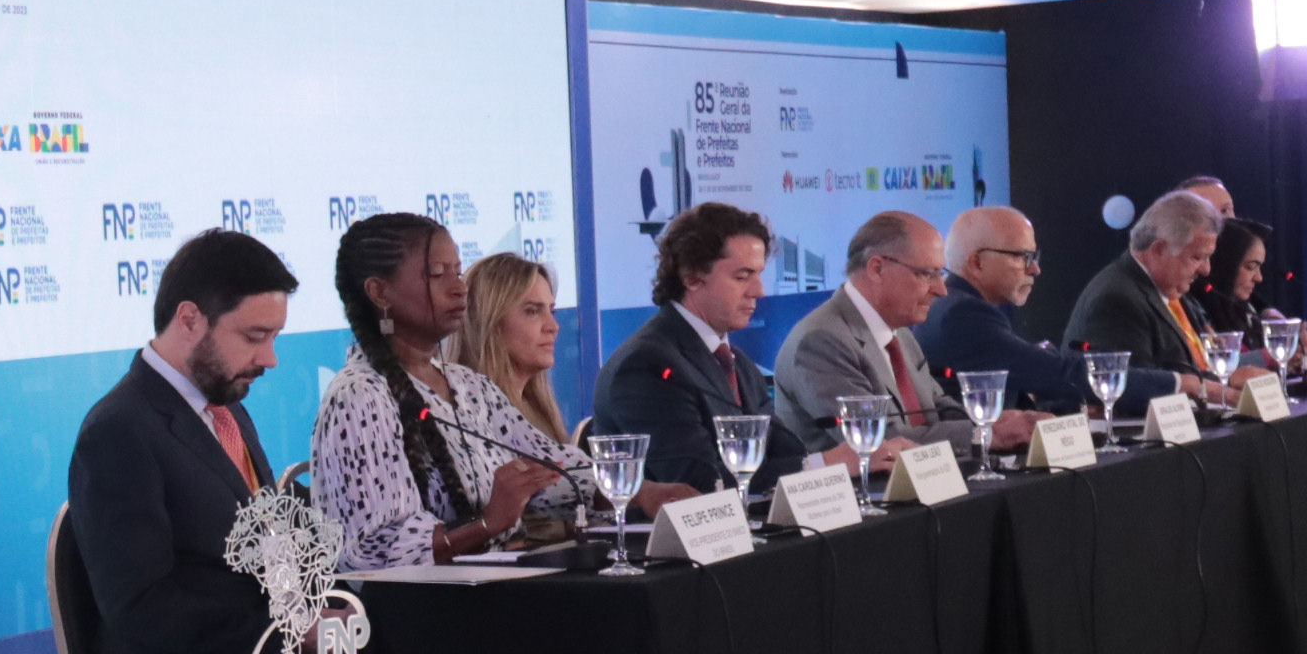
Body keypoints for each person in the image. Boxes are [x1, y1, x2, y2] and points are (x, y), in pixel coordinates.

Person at [314, 214, 661, 567]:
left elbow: (553, 473)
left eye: (458, 272)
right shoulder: (360, 396)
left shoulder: (470, 386)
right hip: (416, 599)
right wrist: (487, 523)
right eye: (437, 274)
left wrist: (641, 492)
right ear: (380, 292)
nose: (458, 288)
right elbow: (374, 551)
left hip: (491, 587)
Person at [66, 227, 294, 654]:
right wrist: (280, 631)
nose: (270, 358)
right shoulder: (118, 432)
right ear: (190, 319)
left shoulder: (226, 407)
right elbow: (143, 606)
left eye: (275, 338)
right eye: (254, 336)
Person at [592, 203, 888, 498]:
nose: (758, 291)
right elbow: (700, 482)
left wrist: (820, 464)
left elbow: (785, 451)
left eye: (758, 274)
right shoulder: (646, 366)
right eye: (742, 276)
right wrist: (826, 463)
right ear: (692, 277)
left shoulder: (737, 362)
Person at [772, 210, 1034, 464]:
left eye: (940, 274)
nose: (941, 290)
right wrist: (988, 435)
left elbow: (937, 407)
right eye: (927, 274)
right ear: (877, 269)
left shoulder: (900, 333)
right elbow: (880, 443)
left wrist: (998, 422)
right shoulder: (821, 342)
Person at [922, 204, 1124, 413]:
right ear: (977, 262)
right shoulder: (963, 315)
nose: (1035, 269)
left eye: (1034, 257)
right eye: (1021, 256)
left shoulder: (954, 305)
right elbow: (1061, 374)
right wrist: (1143, 387)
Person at [1065, 188, 1234, 387]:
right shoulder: (1117, 300)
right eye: (1197, 257)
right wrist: (1222, 386)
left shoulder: (1172, 289)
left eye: (1208, 258)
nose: (1206, 270)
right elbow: (1137, 389)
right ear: (1159, 249)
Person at [450, 249, 571, 451]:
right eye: (532, 311)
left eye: (552, 311)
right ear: (489, 321)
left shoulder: (539, 412)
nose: (553, 326)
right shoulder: (467, 417)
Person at [1200, 215, 1273, 339]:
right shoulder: (1197, 316)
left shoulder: (1249, 312)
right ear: (1224, 265)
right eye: (1251, 267)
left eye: (1259, 267)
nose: (1259, 278)